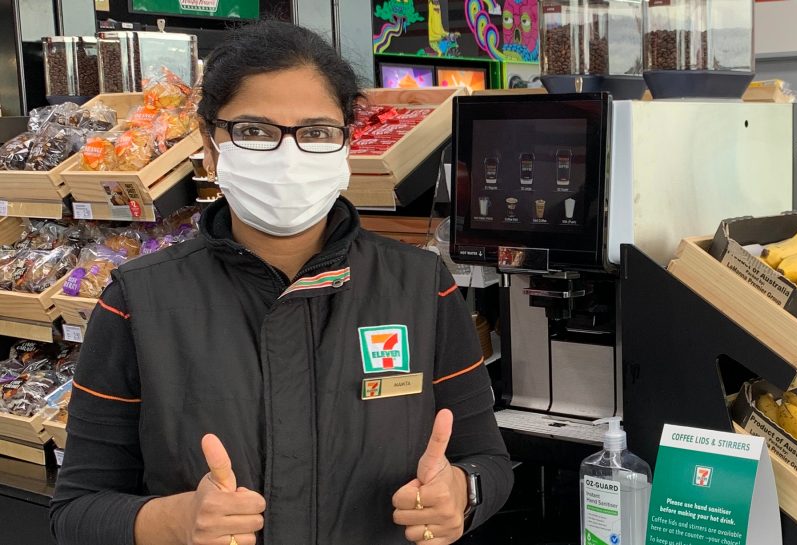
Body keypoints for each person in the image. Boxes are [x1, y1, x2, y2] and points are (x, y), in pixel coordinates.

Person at [50, 21, 512, 545]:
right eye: (254, 131)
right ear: (210, 143)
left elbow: (487, 460)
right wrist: (174, 521)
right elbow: (76, 510)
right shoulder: (139, 301)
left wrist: (463, 493)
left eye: (315, 132)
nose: (288, 156)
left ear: (345, 143)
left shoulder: (421, 287)